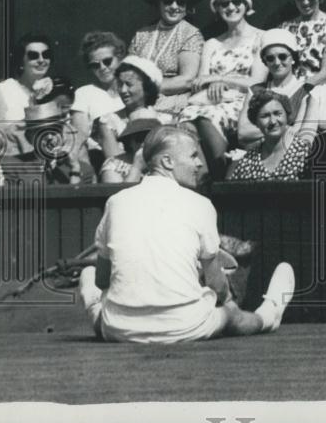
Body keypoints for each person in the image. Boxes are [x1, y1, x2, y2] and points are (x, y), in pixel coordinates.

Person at [78, 125, 295, 342]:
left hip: (119, 330)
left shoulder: (116, 202)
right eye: (193, 156)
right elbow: (216, 284)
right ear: (167, 162)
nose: (200, 163)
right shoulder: (200, 204)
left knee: (88, 275)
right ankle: (269, 315)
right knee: (230, 315)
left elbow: (101, 279)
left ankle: (94, 307)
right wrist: (228, 304)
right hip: (186, 326)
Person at [179, 0, 267, 178]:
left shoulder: (261, 37)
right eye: (224, 3)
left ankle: (221, 174)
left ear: (246, 4)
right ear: (217, 8)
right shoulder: (211, 43)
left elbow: (257, 82)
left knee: (206, 117)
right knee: (186, 119)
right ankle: (203, 177)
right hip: (211, 99)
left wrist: (221, 80)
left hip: (244, 101)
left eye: (236, 1)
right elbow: (200, 82)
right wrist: (211, 82)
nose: (231, 7)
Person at [236, 28, 326, 147]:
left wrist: (264, 131)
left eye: (282, 56)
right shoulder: (255, 90)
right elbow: (243, 132)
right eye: (270, 58)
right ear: (265, 62)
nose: (277, 63)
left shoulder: (307, 90)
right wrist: (286, 128)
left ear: (293, 58)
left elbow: (300, 132)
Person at [130, 0, 205, 115]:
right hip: (135, 97)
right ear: (158, 4)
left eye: (180, 2)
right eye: (168, 1)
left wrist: (145, 88)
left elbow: (187, 80)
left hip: (171, 101)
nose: (174, 7)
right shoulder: (142, 34)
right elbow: (127, 72)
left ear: (186, 7)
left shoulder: (191, 34)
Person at [0, 33, 56, 157]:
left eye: (46, 55)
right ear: (21, 60)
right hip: (16, 163)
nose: (41, 60)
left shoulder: (54, 90)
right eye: (33, 56)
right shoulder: (5, 89)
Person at [227, 89, 321, 181]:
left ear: (286, 116)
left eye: (277, 113)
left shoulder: (304, 153)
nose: (272, 121)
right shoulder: (247, 161)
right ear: (256, 122)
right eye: (265, 116)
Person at [0, 100, 95, 185]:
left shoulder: (84, 170)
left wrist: (75, 171)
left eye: (55, 130)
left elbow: (79, 202)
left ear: (62, 133)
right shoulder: (12, 166)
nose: (50, 137)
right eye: (42, 132)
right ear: (30, 137)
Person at [94, 56, 170, 161]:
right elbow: (114, 162)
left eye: (129, 84)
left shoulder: (165, 120)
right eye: (120, 85)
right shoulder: (110, 121)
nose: (123, 90)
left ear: (146, 87)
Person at [71, 31, 126, 172]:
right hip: (101, 160)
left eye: (107, 61)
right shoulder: (85, 93)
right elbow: (80, 135)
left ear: (120, 58)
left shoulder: (131, 90)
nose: (102, 68)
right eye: (95, 65)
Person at [100, 118, 161, 184]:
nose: (145, 143)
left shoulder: (168, 162)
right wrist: (137, 166)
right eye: (140, 138)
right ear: (130, 142)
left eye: (151, 138)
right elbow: (117, 193)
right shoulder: (113, 165)